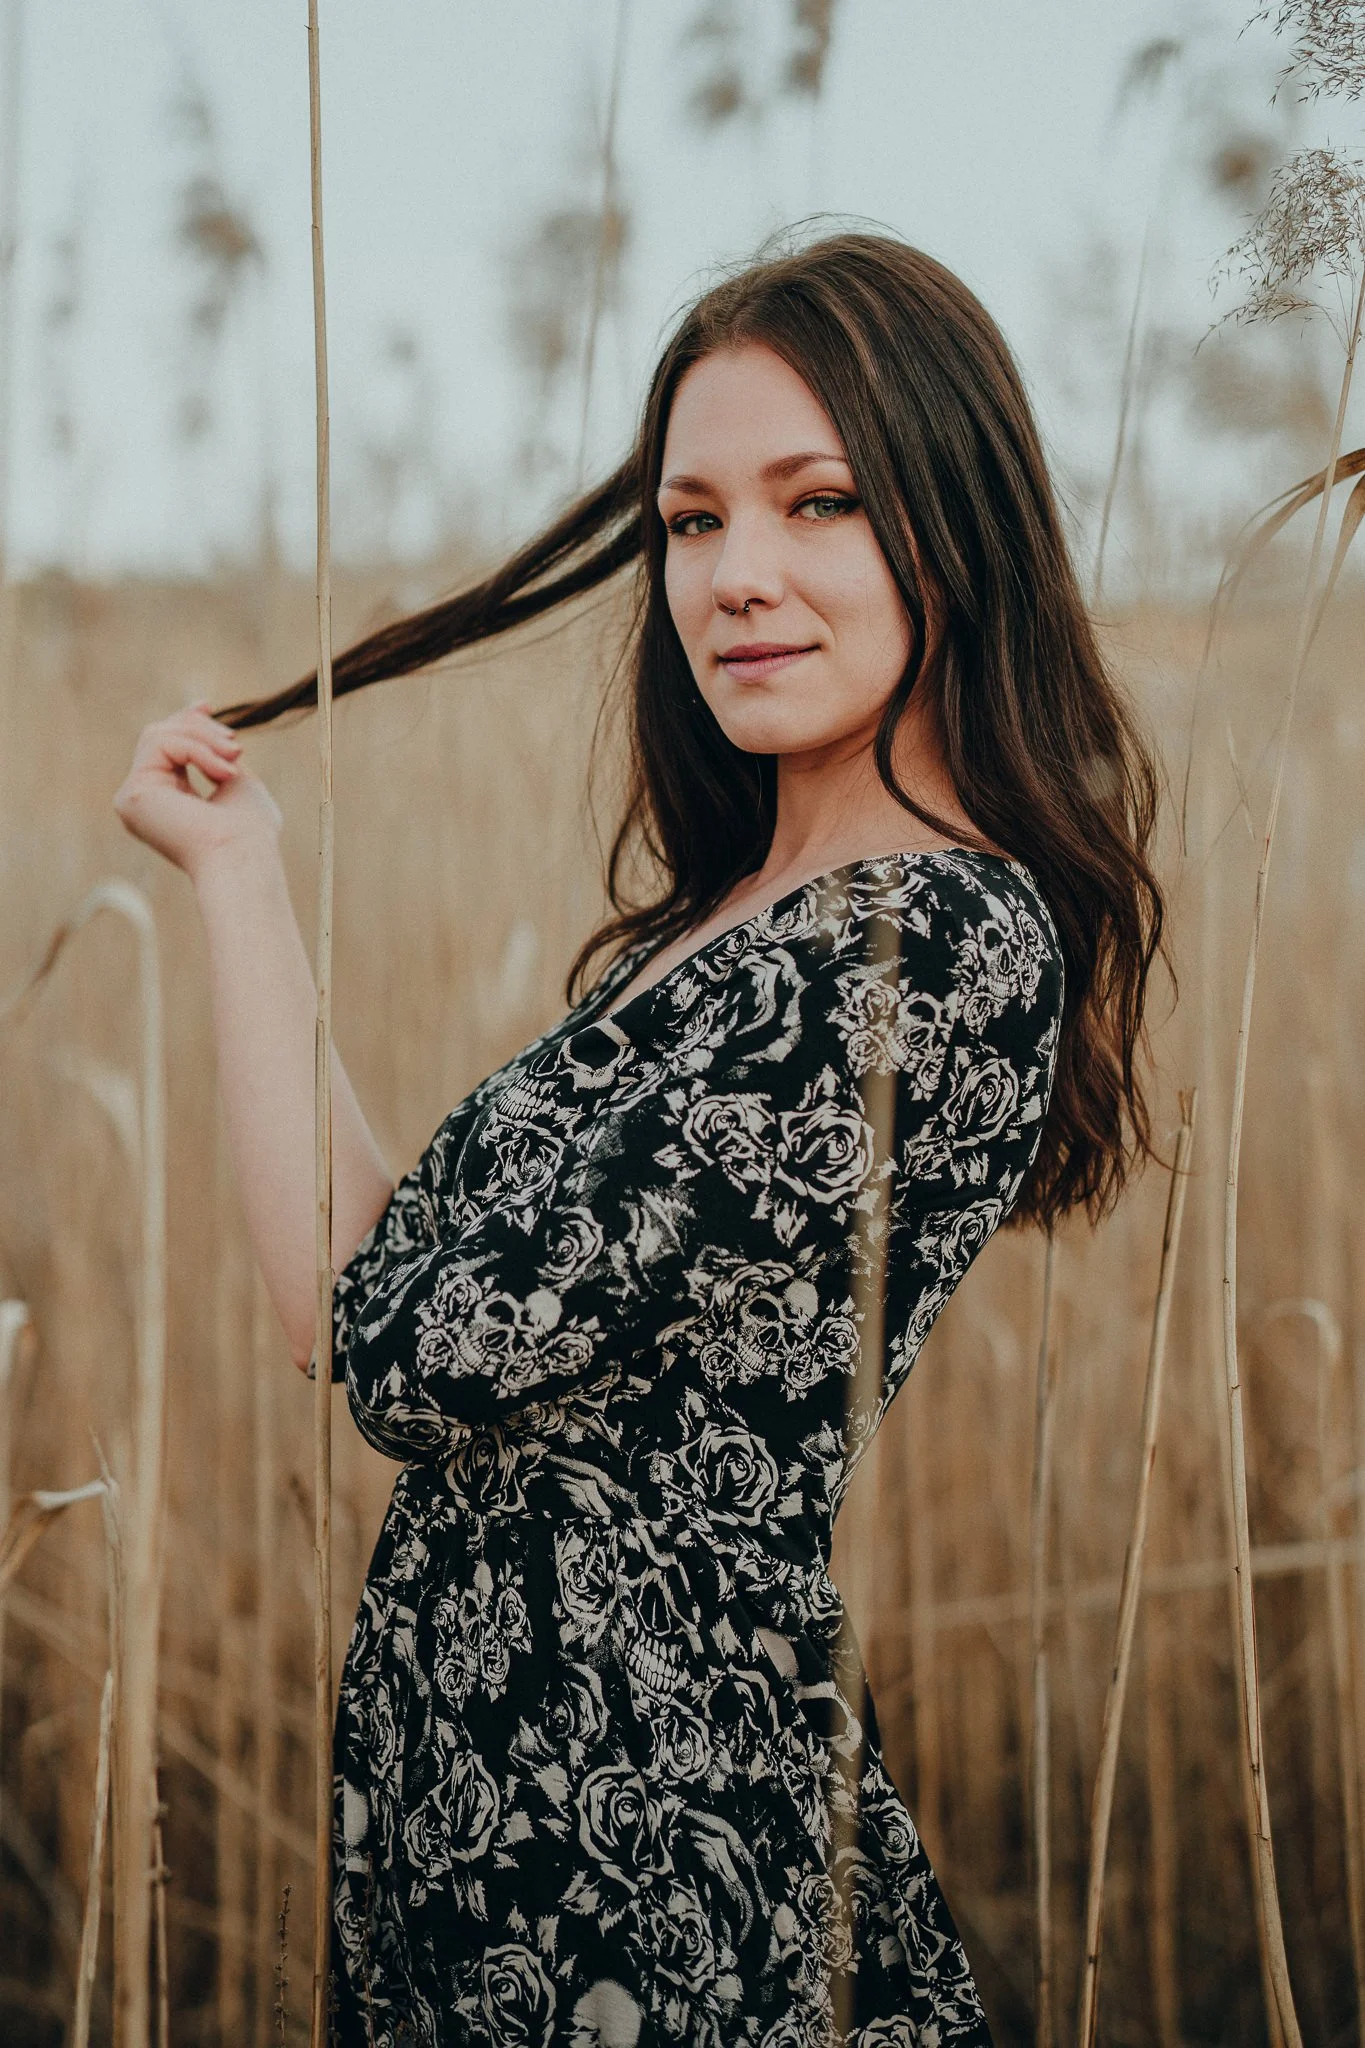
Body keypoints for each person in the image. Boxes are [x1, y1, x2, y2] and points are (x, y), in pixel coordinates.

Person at [114, 232, 1163, 2048]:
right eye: (689, 522)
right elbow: (344, 1303)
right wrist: (240, 877)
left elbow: (413, 1363)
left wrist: (402, 1313)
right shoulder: (719, 925)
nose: (738, 577)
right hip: (477, 1833)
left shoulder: (936, 940)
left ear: (956, 521)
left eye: (818, 503)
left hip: (658, 1855)